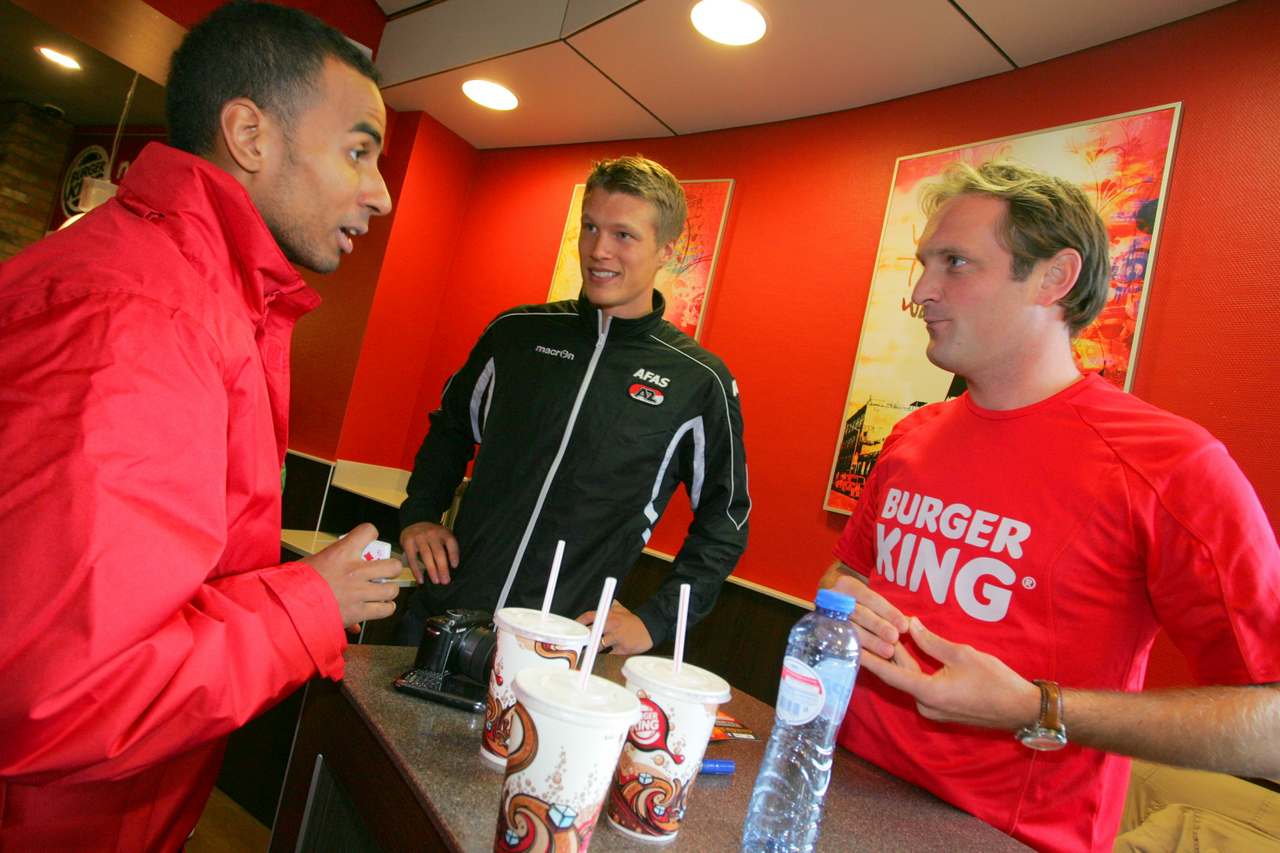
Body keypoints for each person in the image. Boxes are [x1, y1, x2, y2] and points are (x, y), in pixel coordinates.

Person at [0, 3, 398, 848]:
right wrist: (311, 604)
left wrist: (306, 588)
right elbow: (77, 693)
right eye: (359, 150)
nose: (381, 192)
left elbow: (165, 592)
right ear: (250, 135)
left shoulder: (199, 295)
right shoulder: (146, 317)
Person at [821, 160, 1280, 852]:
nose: (920, 291)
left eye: (955, 263)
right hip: (843, 782)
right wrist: (843, 605)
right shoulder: (913, 434)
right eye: (923, 264)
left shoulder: (1169, 463)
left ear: (1055, 278)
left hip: (1004, 834)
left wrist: (1038, 708)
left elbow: (1269, 725)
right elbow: (845, 578)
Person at [396, 155, 750, 654]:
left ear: (666, 250)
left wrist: (657, 620)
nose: (598, 250)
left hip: (558, 648)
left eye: (624, 235)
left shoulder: (698, 381)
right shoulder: (516, 334)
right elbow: (452, 428)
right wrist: (420, 511)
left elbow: (726, 518)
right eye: (590, 227)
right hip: (444, 615)